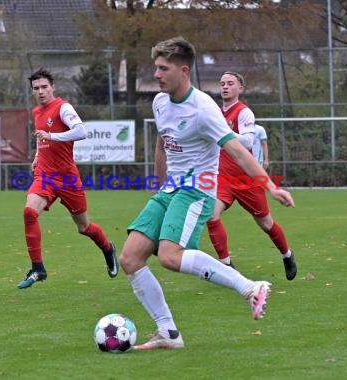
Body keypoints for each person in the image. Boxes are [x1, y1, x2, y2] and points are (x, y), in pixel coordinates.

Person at [118, 37, 295, 350]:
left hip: (196, 190)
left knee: (170, 257)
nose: (156, 74)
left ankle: (251, 287)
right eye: (155, 67)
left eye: (163, 68)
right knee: (130, 258)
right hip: (171, 189)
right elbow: (162, 143)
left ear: (183, 71)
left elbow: (238, 151)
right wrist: (161, 184)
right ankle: (168, 334)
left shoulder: (203, 109)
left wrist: (270, 185)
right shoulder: (160, 102)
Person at [18, 68, 118, 289]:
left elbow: (81, 131)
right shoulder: (37, 112)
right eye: (36, 88)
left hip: (67, 178)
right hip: (45, 175)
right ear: (32, 91)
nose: (41, 92)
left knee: (84, 227)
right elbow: (41, 137)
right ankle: (38, 268)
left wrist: (51, 136)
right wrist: (37, 155)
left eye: (45, 87)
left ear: (53, 87)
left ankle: (108, 248)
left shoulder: (63, 108)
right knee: (29, 212)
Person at [206, 71, 297, 280]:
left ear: (240, 88)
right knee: (211, 215)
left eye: (230, 83)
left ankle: (287, 254)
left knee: (266, 223)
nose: (225, 87)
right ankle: (226, 264)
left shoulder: (244, 112)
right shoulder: (215, 113)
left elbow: (247, 142)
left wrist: (221, 132)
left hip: (246, 177)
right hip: (222, 177)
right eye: (222, 83)